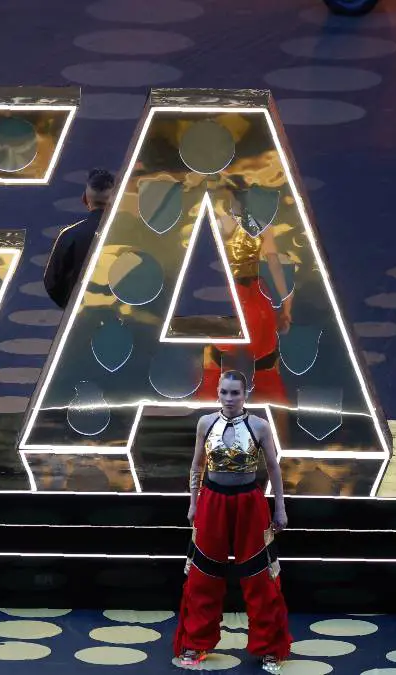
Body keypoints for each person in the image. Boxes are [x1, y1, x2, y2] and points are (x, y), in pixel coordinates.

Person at [174, 370, 291, 673]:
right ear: (217, 392)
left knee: (260, 576)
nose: (229, 398)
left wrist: (280, 508)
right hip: (212, 502)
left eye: (235, 393)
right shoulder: (205, 423)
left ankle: (269, 648)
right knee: (202, 574)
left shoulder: (260, 426)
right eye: (224, 392)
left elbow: (274, 468)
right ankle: (195, 642)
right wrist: (193, 503)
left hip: (249, 504)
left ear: (245, 394)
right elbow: (196, 466)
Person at [198, 185, 292, 404]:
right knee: (248, 344)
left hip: (240, 292)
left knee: (244, 345)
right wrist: (285, 300)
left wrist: (285, 300)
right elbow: (274, 264)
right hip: (240, 292)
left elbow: (275, 264)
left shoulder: (222, 224)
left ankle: (236, 391)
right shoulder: (256, 225)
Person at [43, 168, 115, 309]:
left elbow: (52, 284)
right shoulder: (130, 234)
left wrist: (71, 307)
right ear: (116, 199)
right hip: (119, 315)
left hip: (80, 313)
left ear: (84, 199)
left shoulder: (69, 235)